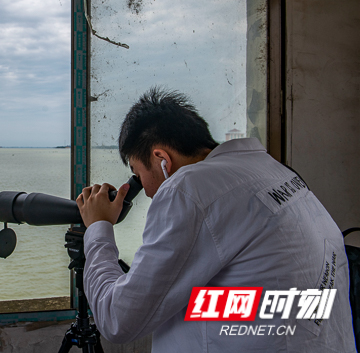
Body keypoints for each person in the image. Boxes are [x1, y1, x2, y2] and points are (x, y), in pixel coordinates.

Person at [76, 88, 355, 352]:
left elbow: (118, 318)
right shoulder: (272, 170)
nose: (146, 191)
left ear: (162, 158)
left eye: (138, 174)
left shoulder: (188, 187)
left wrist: (98, 228)